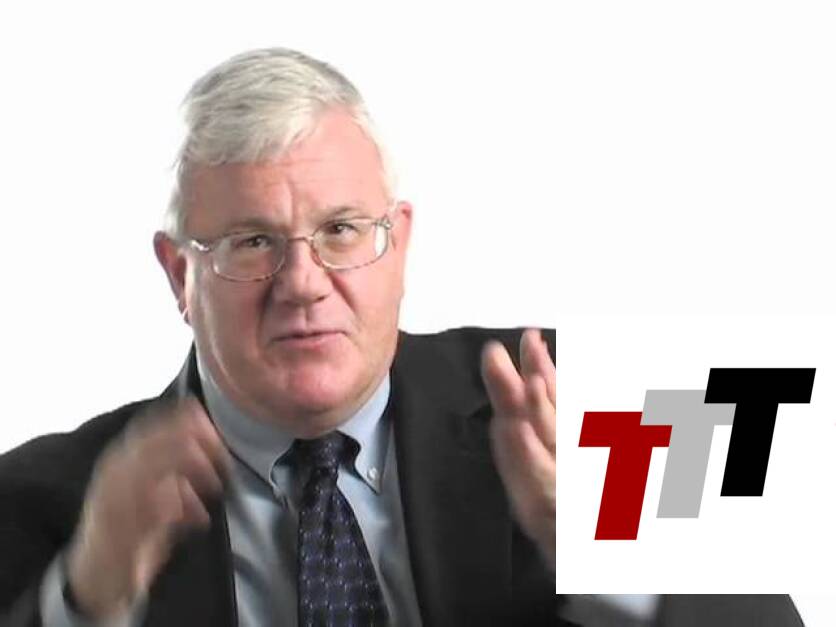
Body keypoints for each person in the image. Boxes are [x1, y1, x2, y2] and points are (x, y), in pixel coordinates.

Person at [0, 48, 561, 626]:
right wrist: (88, 604)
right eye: (251, 242)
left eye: (340, 229)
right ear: (179, 275)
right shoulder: (31, 505)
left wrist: (595, 547)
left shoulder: (573, 396)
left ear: (398, 244)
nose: (302, 285)